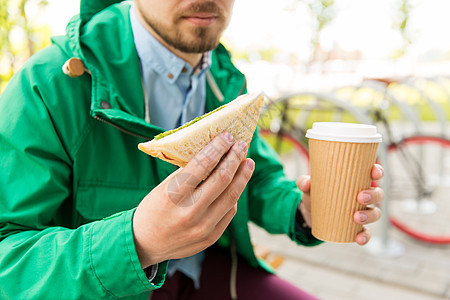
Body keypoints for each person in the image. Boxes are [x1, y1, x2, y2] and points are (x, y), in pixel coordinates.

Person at [0, 0, 384, 299]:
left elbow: (257, 173)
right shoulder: (46, 86)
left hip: (211, 273)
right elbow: (8, 261)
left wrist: (302, 210)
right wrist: (137, 241)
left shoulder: (223, 75)